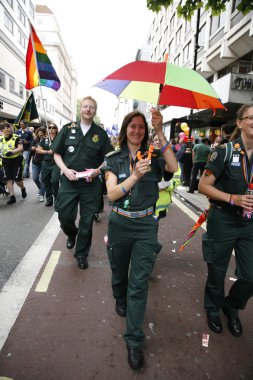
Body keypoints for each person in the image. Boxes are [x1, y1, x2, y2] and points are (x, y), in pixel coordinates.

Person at [102, 109, 178, 370]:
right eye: (132, 126)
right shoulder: (113, 159)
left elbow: (174, 167)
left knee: (139, 284)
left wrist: (159, 130)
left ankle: (133, 339)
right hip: (120, 223)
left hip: (146, 224)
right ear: (125, 130)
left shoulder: (154, 156)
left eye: (142, 127)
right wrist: (135, 175)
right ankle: (118, 296)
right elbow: (111, 195)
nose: (137, 131)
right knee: (119, 274)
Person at [198, 104, 253, 338]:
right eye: (252, 117)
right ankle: (212, 308)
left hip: (249, 224)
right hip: (223, 221)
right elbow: (203, 186)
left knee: (250, 275)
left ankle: (231, 306)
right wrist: (232, 198)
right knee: (217, 271)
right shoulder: (224, 152)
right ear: (239, 123)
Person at [52, 96, 112, 270]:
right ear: (80, 109)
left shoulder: (100, 134)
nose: (88, 109)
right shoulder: (67, 129)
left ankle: (82, 255)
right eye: (85, 106)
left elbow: (108, 158)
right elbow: (57, 153)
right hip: (69, 182)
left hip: (90, 185)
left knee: (87, 222)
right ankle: (71, 233)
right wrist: (65, 169)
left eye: (91, 107)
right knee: (64, 216)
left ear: (95, 110)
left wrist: (97, 170)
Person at [0, 122, 27, 204]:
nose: (8, 129)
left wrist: (12, 152)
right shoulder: (0, 138)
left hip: (16, 160)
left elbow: (21, 148)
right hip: (5, 161)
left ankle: (22, 188)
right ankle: (12, 197)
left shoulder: (16, 138)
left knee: (17, 180)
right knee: (8, 179)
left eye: (9, 127)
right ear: (2, 130)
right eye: (6, 128)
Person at [36, 123, 60, 207]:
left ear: (56, 129)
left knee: (54, 180)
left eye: (53, 127)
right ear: (48, 129)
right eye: (50, 127)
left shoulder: (60, 139)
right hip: (46, 163)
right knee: (45, 180)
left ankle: (57, 199)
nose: (51, 129)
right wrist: (47, 151)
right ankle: (49, 198)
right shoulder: (45, 139)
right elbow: (38, 150)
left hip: (56, 163)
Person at [153, 134, 174, 220]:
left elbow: (176, 178)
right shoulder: (148, 156)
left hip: (161, 202)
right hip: (148, 202)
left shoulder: (170, 157)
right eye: (155, 140)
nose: (158, 142)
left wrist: (164, 185)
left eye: (160, 140)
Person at [30, 127, 46, 202]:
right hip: (35, 162)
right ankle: (41, 189)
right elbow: (31, 147)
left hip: (44, 162)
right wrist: (35, 148)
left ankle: (41, 194)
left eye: (42, 134)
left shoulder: (47, 140)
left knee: (42, 179)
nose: (40, 135)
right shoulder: (35, 140)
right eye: (39, 134)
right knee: (35, 178)